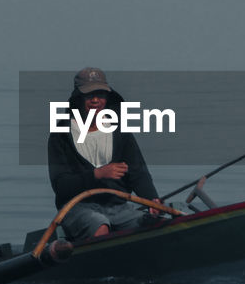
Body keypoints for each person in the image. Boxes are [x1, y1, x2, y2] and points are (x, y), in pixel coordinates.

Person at [47, 67, 161, 241]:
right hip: (77, 209)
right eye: (89, 95)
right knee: (100, 225)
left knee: (155, 225)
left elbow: (138, 172)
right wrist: (97, 174)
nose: (95, 100)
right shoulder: (60, 134)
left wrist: (151, 198)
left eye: (100, 95)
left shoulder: (119, 130)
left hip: (119, 207)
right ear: (78, 98)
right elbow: (61, 186)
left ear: (107, 98)